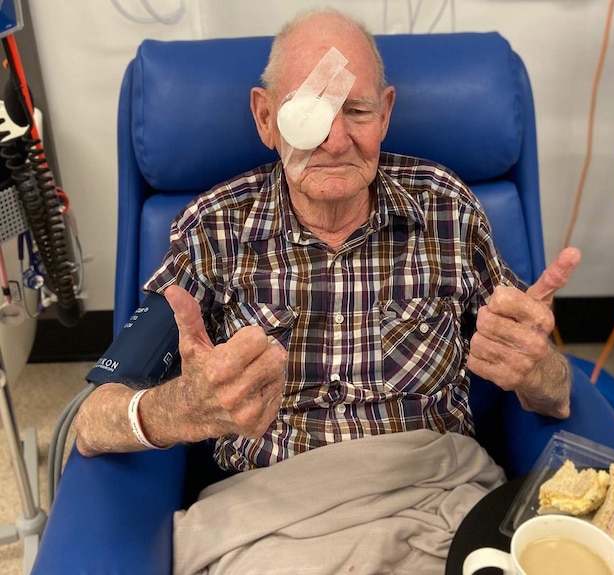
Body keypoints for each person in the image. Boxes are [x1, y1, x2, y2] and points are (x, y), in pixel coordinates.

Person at [74, 9, 579, 474]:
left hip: (435, 495)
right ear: (266, 118)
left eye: (357, 111)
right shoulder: (213, 228)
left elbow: (554, 397)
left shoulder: (446, 207)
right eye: (308, 114)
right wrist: (183, 407)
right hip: (272, 514)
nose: (335, 142)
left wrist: (539, 369)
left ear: (384, 114)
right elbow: (91, 421)